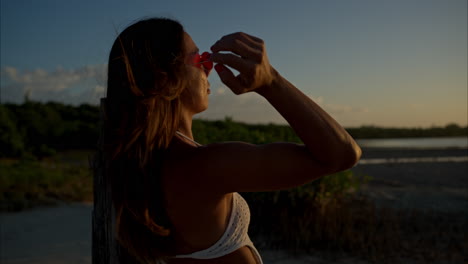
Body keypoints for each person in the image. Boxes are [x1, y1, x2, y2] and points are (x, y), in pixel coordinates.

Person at [104, 17, 361, 264]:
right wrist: (271, 81)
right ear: (165, 81)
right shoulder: (205, 166)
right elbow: (342, 154)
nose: (208, 67)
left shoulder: (139, 164)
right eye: (199, 59)